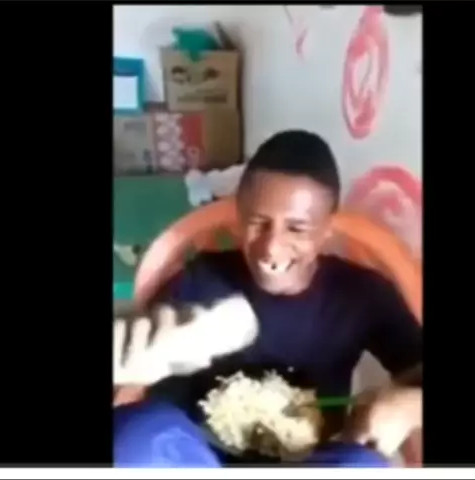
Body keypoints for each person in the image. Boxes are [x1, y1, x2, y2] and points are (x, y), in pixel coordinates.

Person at [113, 130, 423, 467]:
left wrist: (408, 405)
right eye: (258, 223)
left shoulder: (363, 294)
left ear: (326, 229)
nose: (272, 247)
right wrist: (132, 361)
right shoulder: (201, 278)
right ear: (239, 219)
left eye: (296, 228)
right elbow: (136, 371)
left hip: (309, 461)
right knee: (135, 435)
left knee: (364, 467)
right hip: (197, 453)